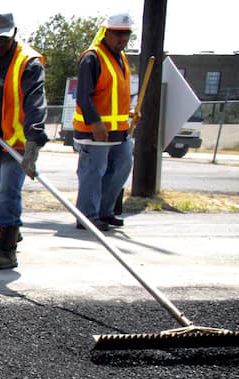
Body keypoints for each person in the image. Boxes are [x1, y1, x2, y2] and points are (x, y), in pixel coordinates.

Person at [0, 13, 48, 270]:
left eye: (5, 39)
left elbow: (36, 104)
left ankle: (7, 250)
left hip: (19, 141)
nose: (0, 44)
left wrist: (33, 145)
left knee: (8, 193)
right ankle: (9, 230)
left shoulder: (29, 63)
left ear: (14, 33)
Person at [73, 13, 137, 232]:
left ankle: (104, 211)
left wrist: (128, 112)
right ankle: (87, 216)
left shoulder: (121, 58)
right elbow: (83, 95)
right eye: (119, 34)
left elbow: (112, 95)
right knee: (93, 172)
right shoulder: (92, 57)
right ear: (106, 32)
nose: (123, 39)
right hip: (94, 131)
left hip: (119, 130)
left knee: (122, 166)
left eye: (127, 34)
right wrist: (95, 122)